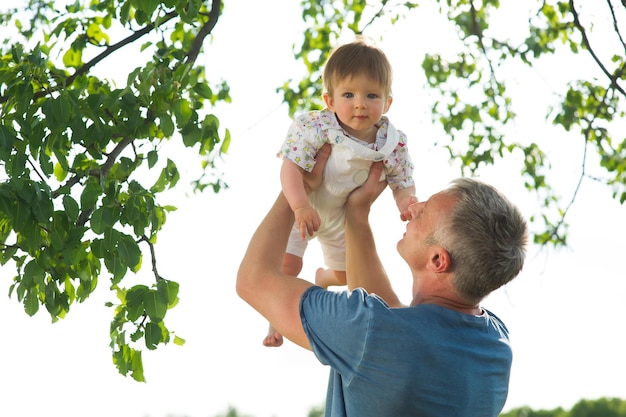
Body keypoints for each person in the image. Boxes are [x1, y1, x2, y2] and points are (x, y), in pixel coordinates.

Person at [236, 147, 529, 417]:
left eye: (424, 212)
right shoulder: (495, 347)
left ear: (438, 260)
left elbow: (252, 280)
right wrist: (357, 214)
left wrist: (298, 187)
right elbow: (392, 323)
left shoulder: (370, 332)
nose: (413, 209)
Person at [266, 36, 417, 347]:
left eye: (371, 95)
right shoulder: (318, 128)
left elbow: (401, 180)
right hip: (306, 204)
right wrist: (298, 206)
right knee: (288, 266)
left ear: (387, 103)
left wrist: (408, 203)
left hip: (341, 218)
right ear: (330, 100)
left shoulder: (390, 142)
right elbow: (290, 167)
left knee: (350, 275)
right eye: (349, 94)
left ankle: (323, 277)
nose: (360, 103)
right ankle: (275, 322)